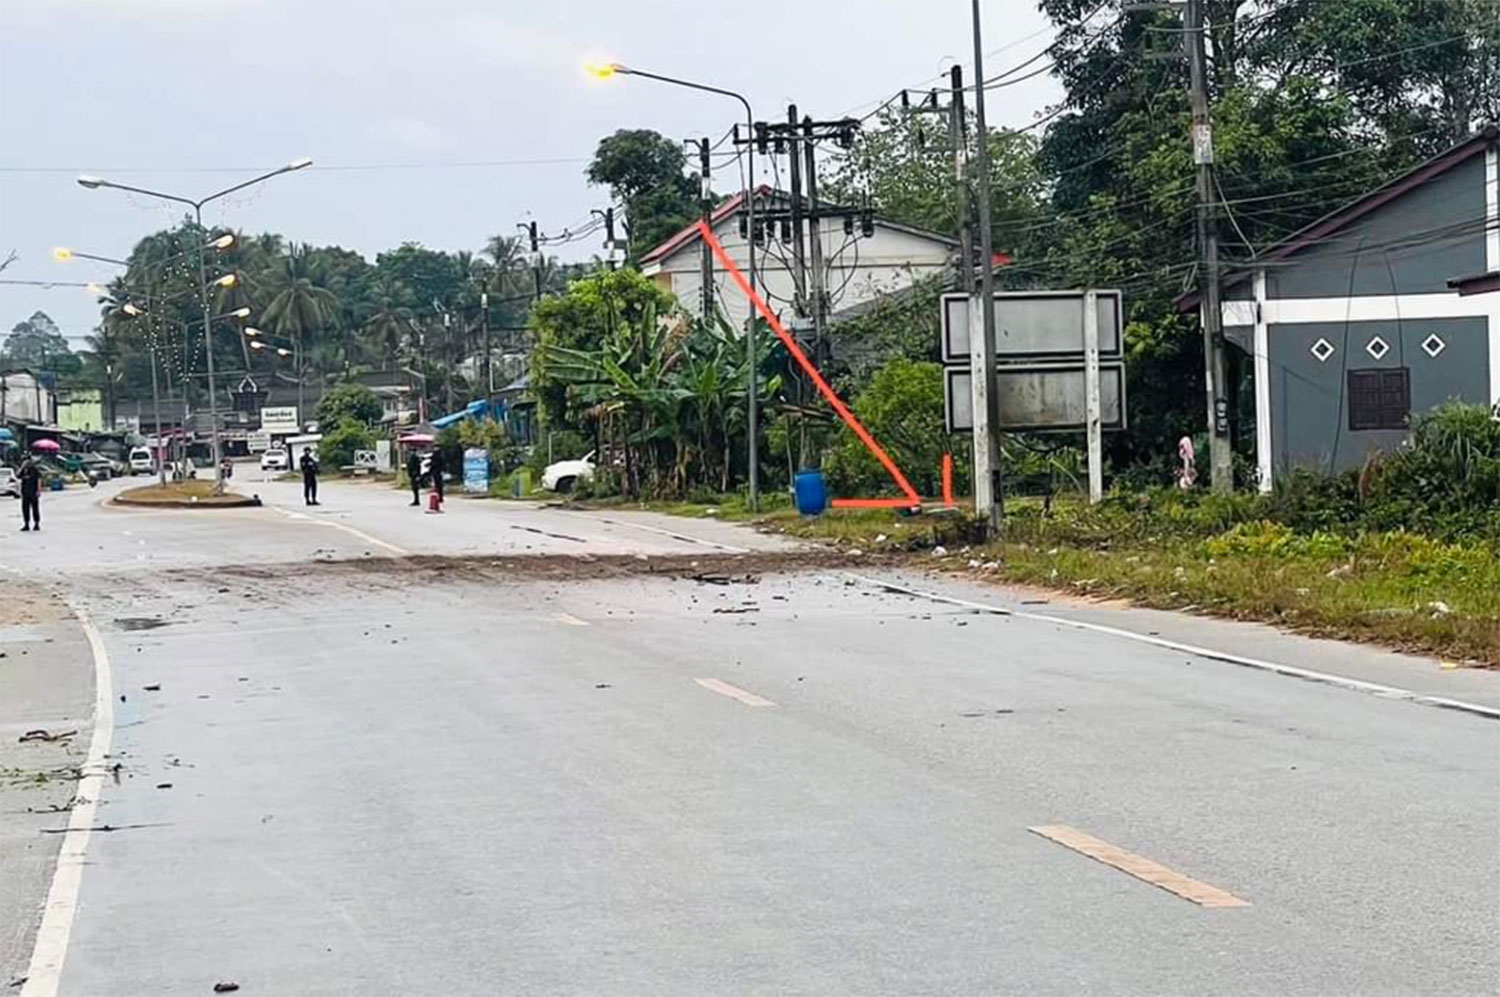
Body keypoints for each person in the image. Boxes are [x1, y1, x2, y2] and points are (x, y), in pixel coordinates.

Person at [18, 456, 41, 532]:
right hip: (25, 492)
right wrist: (21, 468)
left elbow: (38, 480)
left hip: (33, 492)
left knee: (35, 508)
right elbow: (18, 476)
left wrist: (38, 490)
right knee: (25, 508)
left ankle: (36, 523)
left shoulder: (34, 470)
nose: (26, 463)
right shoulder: (23, 470)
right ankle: (26, 524)